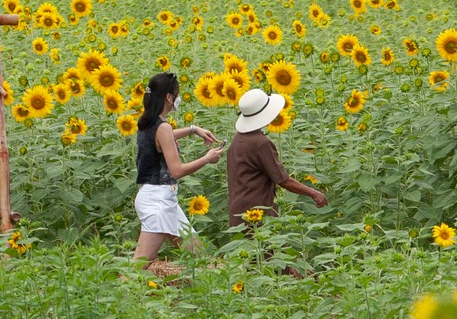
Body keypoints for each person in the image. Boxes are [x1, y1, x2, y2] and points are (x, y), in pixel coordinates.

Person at [133, 71, 223, 262]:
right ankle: (118, 292)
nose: (179, 99)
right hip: (158, 202)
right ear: (168, 97)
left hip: (159, 197)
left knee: (197, 254)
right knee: (140, 264)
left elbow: (163, 136)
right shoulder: (162, 128)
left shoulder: (147, 122)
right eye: (177, 95)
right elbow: (177, 170)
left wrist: (193, 129)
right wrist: (206, 158)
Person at [225, 88, 326, 225]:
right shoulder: (261, 143)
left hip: (238, 212)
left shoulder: (238, 139)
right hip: (257, 215)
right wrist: (314, 193)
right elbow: (282, 180)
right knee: (271, 245)